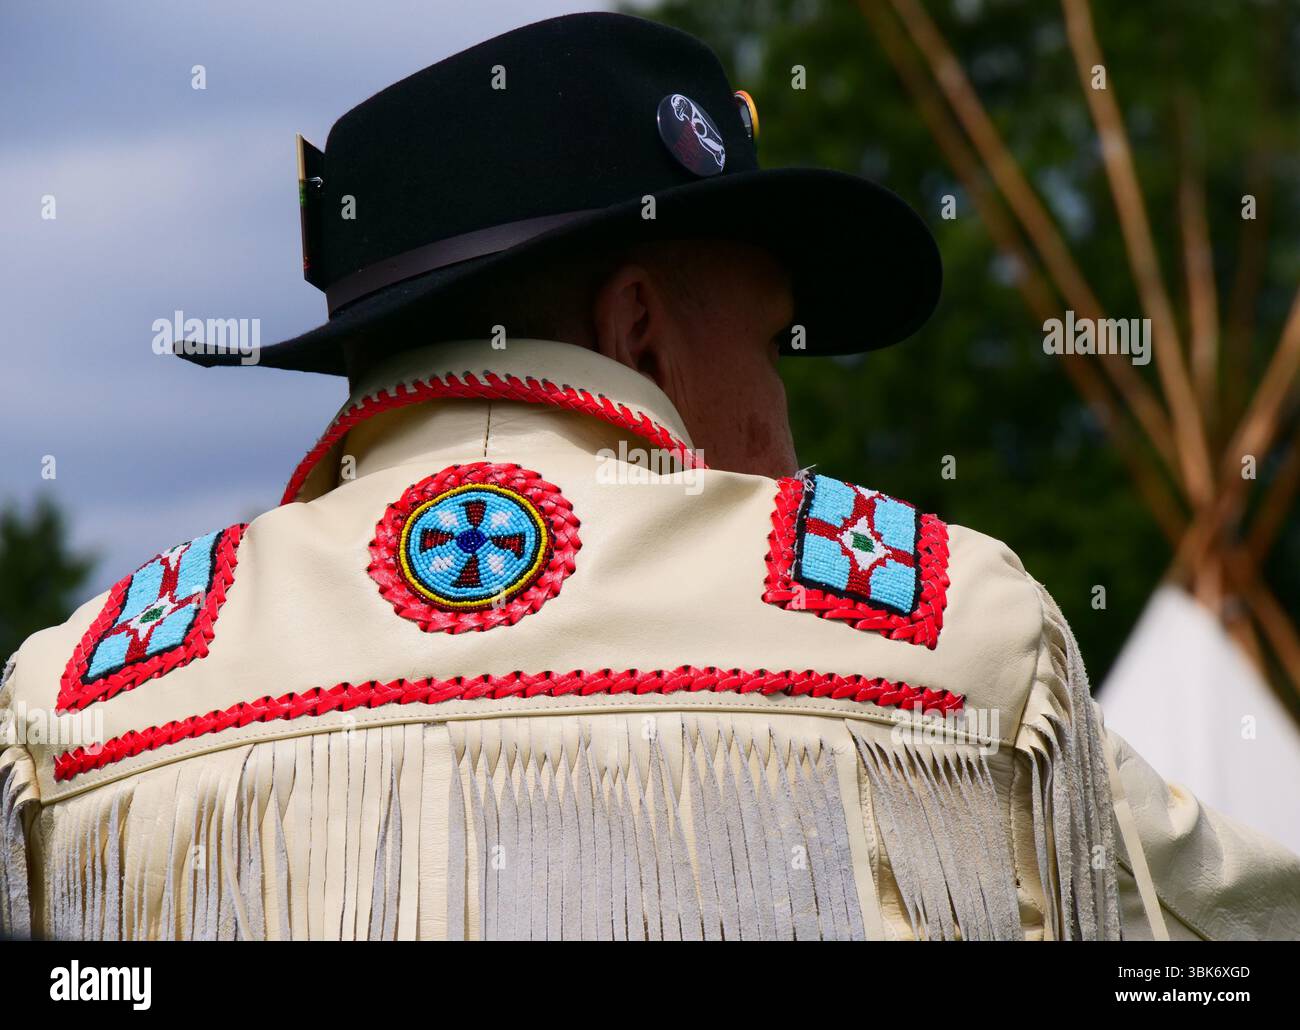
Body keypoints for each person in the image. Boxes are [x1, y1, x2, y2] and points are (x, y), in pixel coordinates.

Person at [1, 12, 1296, 941]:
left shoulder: (84, 703)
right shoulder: (952, 634)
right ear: (637, 329)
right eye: (775, 342)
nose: (788, 410)